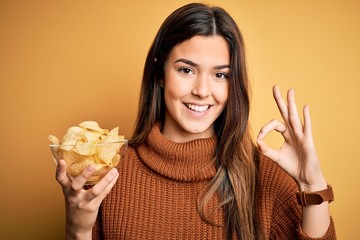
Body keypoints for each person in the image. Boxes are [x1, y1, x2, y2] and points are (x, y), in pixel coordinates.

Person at [55, 3, 336, 239]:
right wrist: (77, 229)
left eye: (220, 75)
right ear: (160, 73)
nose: (202, 91)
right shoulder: (108, 173)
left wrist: (312, 185)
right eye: (187, 70)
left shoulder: (266, 178)